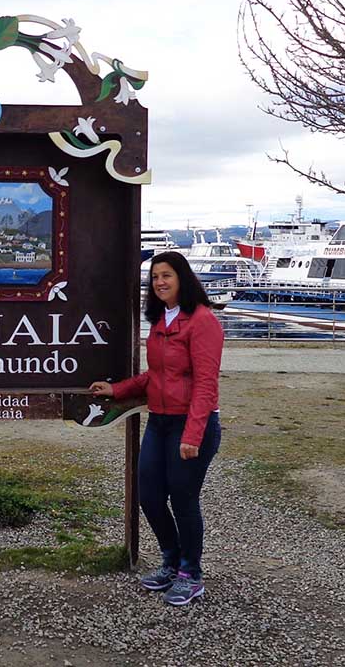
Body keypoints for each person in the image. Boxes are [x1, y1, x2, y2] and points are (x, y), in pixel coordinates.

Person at [89, 250, 222, 606]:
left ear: (183, 279)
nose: (160, 282)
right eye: (155, 277)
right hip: (159, 421)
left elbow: (206, 384)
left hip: (191, 424)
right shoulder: (162, 320)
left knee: (183, 498)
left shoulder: (202, 321)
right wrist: (117, 390)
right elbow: (157, 376)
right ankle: (171, 560)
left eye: (167, 276)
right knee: (148, 494)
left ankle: (191, 574)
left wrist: (193, 436)